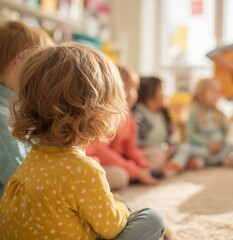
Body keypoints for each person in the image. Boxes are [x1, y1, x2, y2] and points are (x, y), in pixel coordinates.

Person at [0, 43, 165, 239]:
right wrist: (120, 207)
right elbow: (111, 227)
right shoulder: (85, 170)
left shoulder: (31, 160)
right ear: (100, 115)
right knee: (153, 219)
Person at [0, 21, 52, 198]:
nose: (44, 80)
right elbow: (21, 179)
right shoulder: (3, 116)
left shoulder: (13, 109)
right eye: (41, 71)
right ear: (17, 67)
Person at [86, 65, 160, 186]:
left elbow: (130, 148)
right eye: (125, 89)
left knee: (156, 154)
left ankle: (137, 174)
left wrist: (142, 164)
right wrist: (134, 170)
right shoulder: (104, 117)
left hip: (120, 160)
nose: (131, 94)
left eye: (134, 89)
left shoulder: (130, 118)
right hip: (101, 161)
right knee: (120, 176)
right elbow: (102, 152)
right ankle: (134, 176)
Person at [165, 78, 233, 176]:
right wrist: (207, 144)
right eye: (213, 91)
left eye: (218, 92)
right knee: (184, 147)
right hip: (202, 148)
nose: (216, 95)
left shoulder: (220, 113)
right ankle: (177, 164)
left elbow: (225, 133)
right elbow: (191, 134)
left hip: (217, 150)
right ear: (201, 93)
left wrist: (221, 144)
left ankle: (200, 161)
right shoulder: (194, 111)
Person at [133, 76, 176, 173]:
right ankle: (154, 170)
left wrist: (170, 149)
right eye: (162, 89)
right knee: (157, 155)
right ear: (151, 92)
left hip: (163, 152)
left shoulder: (163, 114)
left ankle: (163, 168)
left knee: (183, 148)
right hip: (146, 153)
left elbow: (172, 138)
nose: (165, 94)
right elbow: (135, 142)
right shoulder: (139, 113)